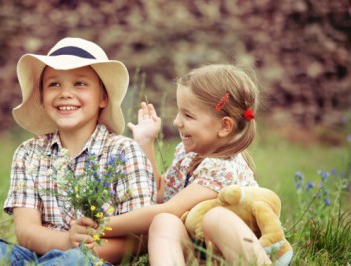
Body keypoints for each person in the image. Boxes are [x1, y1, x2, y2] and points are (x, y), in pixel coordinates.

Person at [0, 37, 156, 265]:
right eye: (54, 84)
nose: (65, 93)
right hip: (38, 256)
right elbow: (27, 231)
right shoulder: (28, 153)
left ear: (102, 97)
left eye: (79, 83)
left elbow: (139, 237)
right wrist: (67, 241)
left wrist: (78, 252)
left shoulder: (123, 151)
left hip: (94, 260)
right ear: (41, 97)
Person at [102, 64, 278, 265]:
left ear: (224, 126)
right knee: (164, 222)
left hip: (234, 256)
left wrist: (104, 225)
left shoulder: (224, 168)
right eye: (179, 112)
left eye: (188, 115)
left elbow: (169, 207)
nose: (177, 122)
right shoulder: (188, 155)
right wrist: (145, 142)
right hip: (201, 256)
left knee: (215, 218)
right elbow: (159, 193)